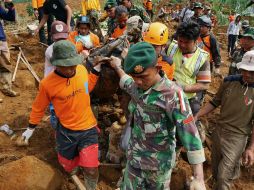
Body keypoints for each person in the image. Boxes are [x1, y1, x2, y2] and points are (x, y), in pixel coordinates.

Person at [109, 42, 206, 190]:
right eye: (135, 76)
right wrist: (117, 67)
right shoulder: (136, 86)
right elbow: (126, 81)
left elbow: (190, 135)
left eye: (143, 76)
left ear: (157, 68)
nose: (138, 81)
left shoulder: (173, 95)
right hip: (134, 162)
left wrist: (199, 178)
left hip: (158, 168)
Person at [18, 40, 105, 190]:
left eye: (73, 64)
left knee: (91, 169)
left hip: (88, 128)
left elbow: (86, 88)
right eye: (66, 66)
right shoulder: (47, 84)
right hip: (66, 131)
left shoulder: (82, 70)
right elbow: (39, 107)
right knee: (68, 165)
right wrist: (30, 129)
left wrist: (96, 70)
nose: (71, 69)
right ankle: (73, 167)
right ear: (56, 64)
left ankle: (91, 186)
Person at [195, 50, 254, 190]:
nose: (247, 74)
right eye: (245, 70)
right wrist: (196, 115)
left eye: (252, 72)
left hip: (237, 138)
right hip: (219, 132)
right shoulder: (229, 81)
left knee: (224, 176)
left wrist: (251, 148)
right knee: (216, 173)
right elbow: (215, 102)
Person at [166, 21, 211, 141]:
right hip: (166, 94)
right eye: (180, 41)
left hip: (187, 99)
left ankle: (185, 141)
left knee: (186, 128)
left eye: (187, 42)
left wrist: (183, 87)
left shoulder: (202, 58)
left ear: (196, 41)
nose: (182, 45)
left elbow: (204, 85)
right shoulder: (171, 47)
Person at [0, 0, 19, 99]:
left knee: (5, 65)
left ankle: (6, 88)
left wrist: (10, 4)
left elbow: (10, 17)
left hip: (1, 40)